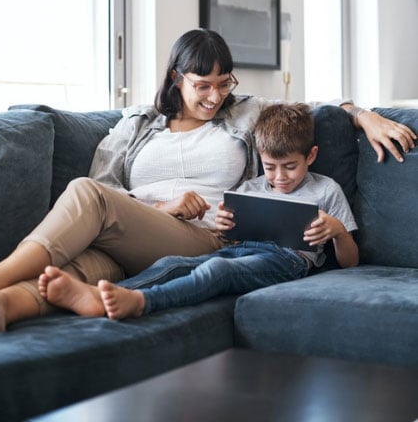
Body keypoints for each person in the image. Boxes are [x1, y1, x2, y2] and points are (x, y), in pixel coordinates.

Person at [0, 29, 415, 331]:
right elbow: (105, 182)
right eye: (202, 85)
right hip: (129, 237)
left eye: (223, 84)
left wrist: (364, 115)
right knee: (79, 267)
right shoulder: (137, 123)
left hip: (202, 237)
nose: (215, 97)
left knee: (85, 195)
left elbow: (314, 110)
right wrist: (159, 209)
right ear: (177, 78)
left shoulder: (245, 113)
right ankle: (4, 305)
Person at [37, 102, 359, 320]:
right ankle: (101, 296)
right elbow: (227, 239)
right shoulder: (251, 188)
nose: (279, 177)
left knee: (217, 272)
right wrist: (224, 225)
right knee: (175, 263)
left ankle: (140, 302)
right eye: (270, 167)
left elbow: (351, 261)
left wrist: (338, 232)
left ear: (311, 156)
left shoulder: (326, 189)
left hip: (287, 261)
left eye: (290, 167)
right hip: (244, 249)